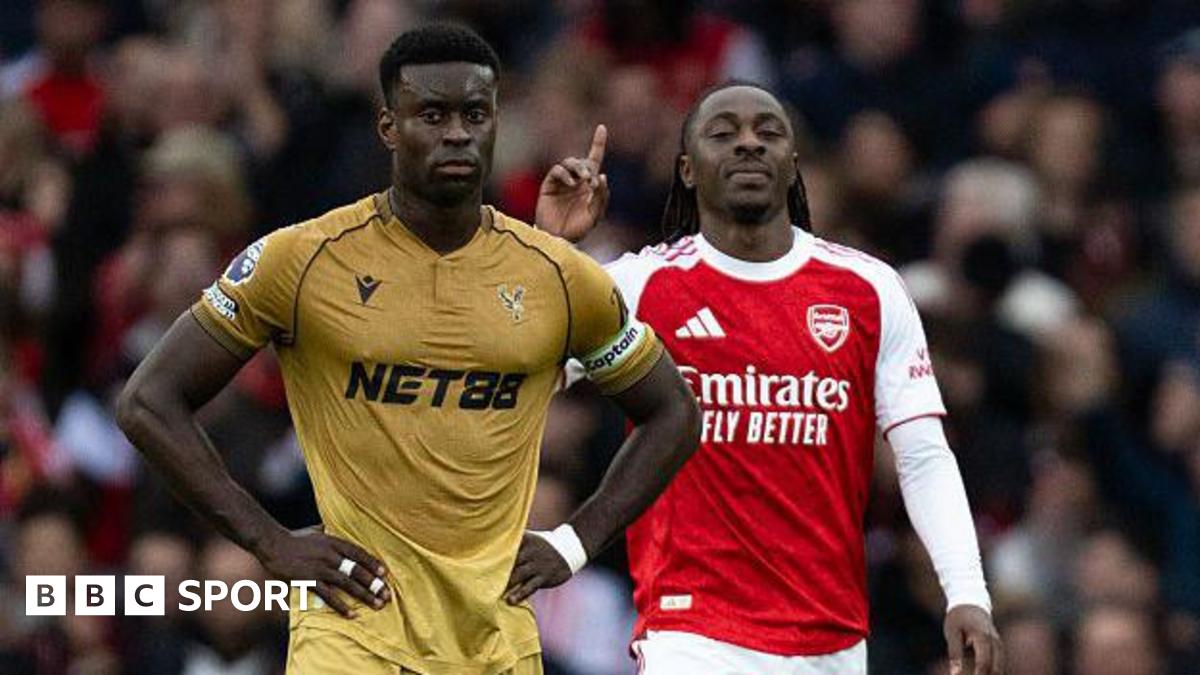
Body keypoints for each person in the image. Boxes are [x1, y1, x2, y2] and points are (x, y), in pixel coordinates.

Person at [116, 24, 700, 675]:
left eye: (475, 114)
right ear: (389, 127)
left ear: (498, 124)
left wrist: (574, 540)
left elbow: (673, 411)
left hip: (495, 641)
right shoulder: (301, 259)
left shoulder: (558, 274)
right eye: (433, 114)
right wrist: (269, 541)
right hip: (350, 636)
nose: (457, 132)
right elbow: (148, 400)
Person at [533, 81, 1002, 674]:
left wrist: (966, 592)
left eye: (768, 132)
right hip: (691, 632)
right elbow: (518, 374)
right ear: (687, 169)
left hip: (831, 640)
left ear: (793, 166)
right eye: (724, 134)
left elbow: (923, 455)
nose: (749, 144)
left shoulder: (869, 290)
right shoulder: (638, 286)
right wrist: (548, 251)